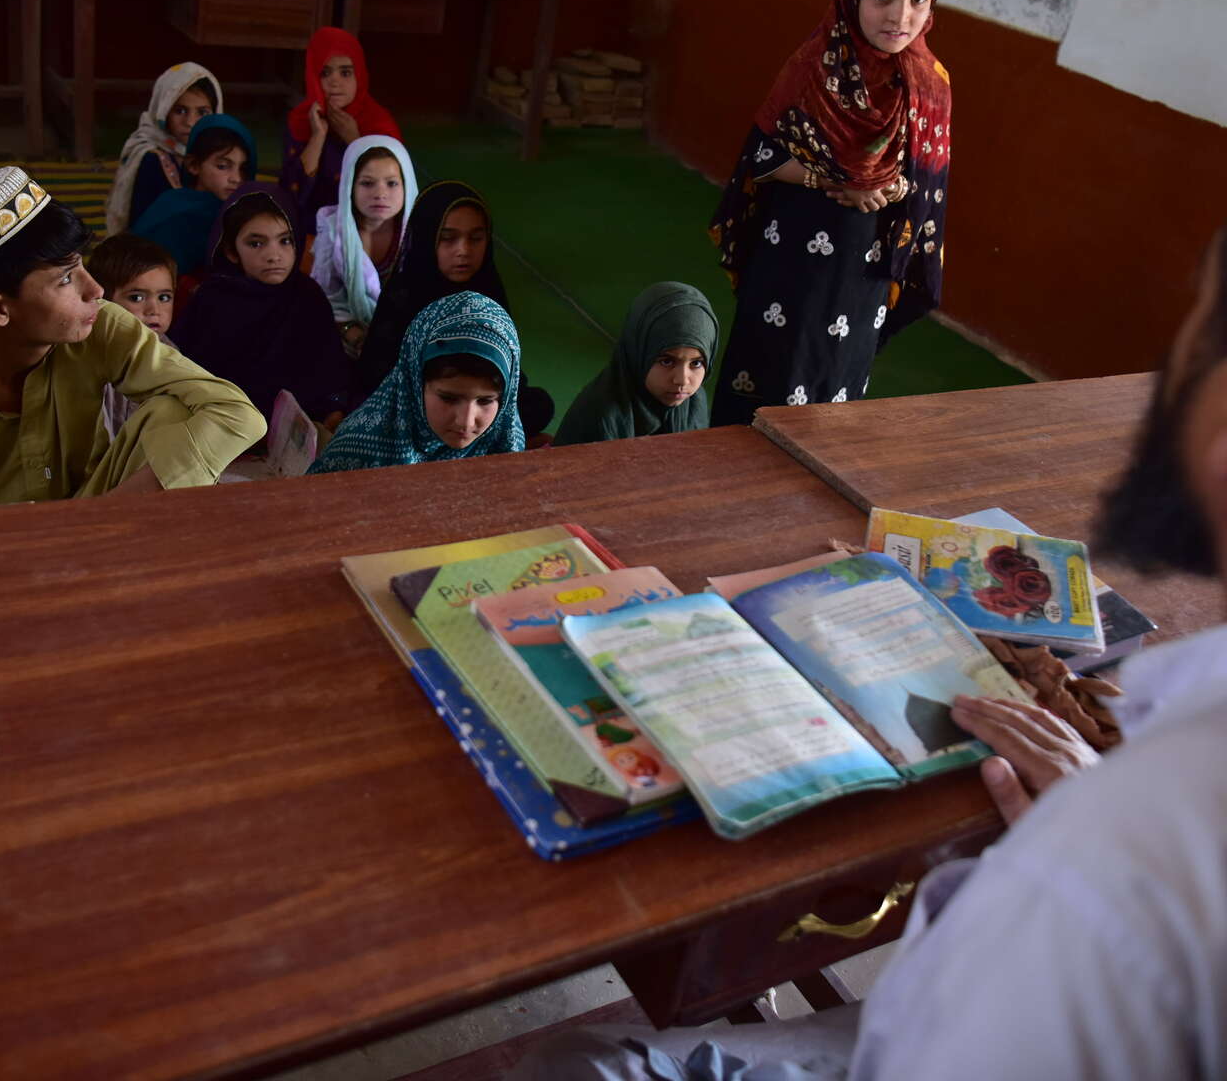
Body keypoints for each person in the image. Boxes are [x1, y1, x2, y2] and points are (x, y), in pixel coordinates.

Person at [511, 229, 1227, 1079]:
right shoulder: (1150, 807)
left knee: (574, 1062)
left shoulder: (1130, 857)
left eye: (1205, 322)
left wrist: (1078, 853)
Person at [709, 0, 951, 426]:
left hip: (863, 272)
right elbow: (758, 161)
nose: (900, 16)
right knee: (766, 381)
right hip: (792, 259)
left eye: (919, 0)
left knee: (835, 387)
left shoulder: (931, 84)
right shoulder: (814, 67)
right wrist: (832, 180)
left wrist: (890, 186)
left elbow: (928, 183)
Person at [0, 166, 265, 509]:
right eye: (66, 279)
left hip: (88, 517)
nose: (96, 289)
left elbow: (238, 416)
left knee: (176, 412)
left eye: (82, 265)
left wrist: (99, 516)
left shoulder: (101, 323)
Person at [354, 179, 554, 438]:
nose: (464, 251)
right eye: (448, 239)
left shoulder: (489, 289)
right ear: (427, 239)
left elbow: (508, 372)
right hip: (421, 409)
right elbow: (377, 376)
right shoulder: (405, 295)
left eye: (476, 238)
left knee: (538, 404)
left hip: (479, 411)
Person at [170, 184, 351, 427]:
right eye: (256, 244)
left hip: (300, 432)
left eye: (285, 241)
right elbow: (188, 376)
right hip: (224, 429)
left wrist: (333, 411)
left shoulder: (307, 295)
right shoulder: (213, 300)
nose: (274, 255)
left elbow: (331, 373)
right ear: (232, 251)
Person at [308, 291, 524, 473]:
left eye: (485, 401)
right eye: (448, 398)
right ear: (414, 382)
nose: (465, 422)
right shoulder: (356, 452)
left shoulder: (505, 441)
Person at [553, 282, 718, 446]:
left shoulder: (695, 402)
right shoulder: (601, 415)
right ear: (637, 353)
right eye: (667, 361)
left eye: (696, 363)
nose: (682, 380)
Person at [279, 27, 401, 240]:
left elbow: (390, 197)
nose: (335, 82)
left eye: (345, 72)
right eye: (325, 72)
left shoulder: (379, 125)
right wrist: (317, 137)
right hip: (308, 230)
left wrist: (355, 141)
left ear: (360, 75)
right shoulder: (301, 121)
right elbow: (290, 195)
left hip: (364, 233)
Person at [311, 134, 418, 356]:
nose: (380, 194)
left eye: (392, 183)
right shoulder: (333, 233)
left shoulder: (419, 234)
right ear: (349, 185)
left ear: (406, 184)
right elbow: (327, 299)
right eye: (367, 183)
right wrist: (357, 336)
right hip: (349, 340)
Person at [132, 113, 256, 279]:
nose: (236, 178)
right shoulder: (173, 209)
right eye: (222, 166)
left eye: (243, 169)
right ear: (193, 165)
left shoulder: (241, 212)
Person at [104, 62, 222, 234]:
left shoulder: (218, 150)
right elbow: (144, 225)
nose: (190, 122)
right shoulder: (151, 159)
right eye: (180, 111)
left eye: (202, 112)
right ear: (163, 110)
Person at [84, 232, 179, 436]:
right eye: (136, 297)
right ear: (104, 301)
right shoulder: (93, 356)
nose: (154, 309)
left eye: (164, 297)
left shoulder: (170, 352)